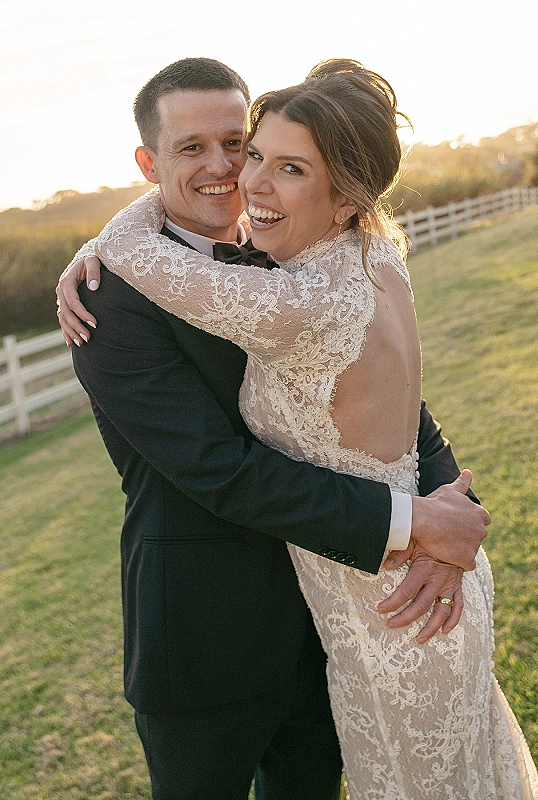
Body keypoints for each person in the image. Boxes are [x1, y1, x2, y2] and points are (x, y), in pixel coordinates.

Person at [57, 58, 494, 800]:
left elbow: (399, 403)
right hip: (207, 639)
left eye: (239, 143)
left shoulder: (292, 252)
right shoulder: (109, 301)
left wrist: (451, 513)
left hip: (335, 624)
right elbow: (219, 468)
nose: (226, 167)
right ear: (148, 165)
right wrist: (412, 522)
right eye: (191, 148)